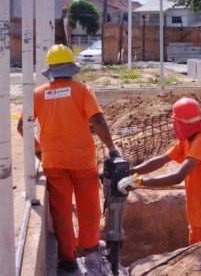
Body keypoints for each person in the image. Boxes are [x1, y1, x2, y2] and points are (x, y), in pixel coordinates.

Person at [17, 44, 119, 274]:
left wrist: (38, 150)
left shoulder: (38, 94)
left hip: (53, 162)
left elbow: (22, 126)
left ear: (51, 70)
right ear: (72, 69)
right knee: (89, 207)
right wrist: (112, 148)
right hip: (83, 161)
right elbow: (98, 121)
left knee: (61, 211)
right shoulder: (83, 90)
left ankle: (68, 259)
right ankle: (91, 251)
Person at [118, 97, 201, 245]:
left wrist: (139, 182)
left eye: (175, 120)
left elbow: (178, 177)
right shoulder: (187, 140)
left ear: (180, 122)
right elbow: (162, 160)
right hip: (199, 215)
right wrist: (130, 171)